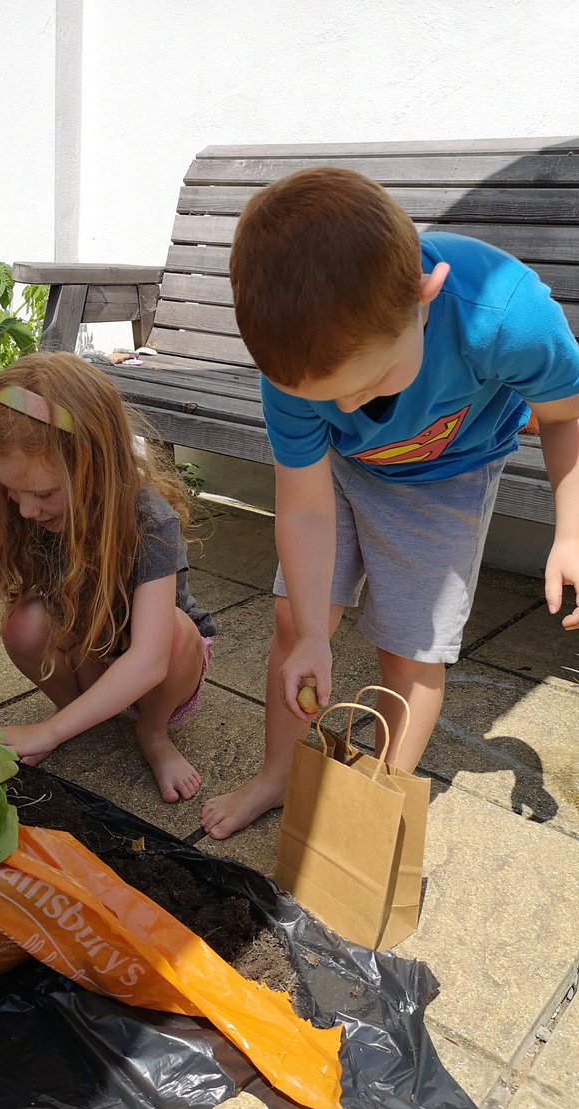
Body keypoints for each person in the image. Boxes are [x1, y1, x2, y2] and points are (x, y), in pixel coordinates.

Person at [201, 166, 579, 840]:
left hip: (450, 475)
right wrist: (317, 632)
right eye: (327, 397)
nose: (349, 408)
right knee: (295, 621)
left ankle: (373, 810)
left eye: (371, 382)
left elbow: (565, 418)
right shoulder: (293, 367)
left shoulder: (505, 316)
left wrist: (571, 530)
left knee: (408, 653)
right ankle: (278, 775)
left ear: (425, 295)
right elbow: (305, 507)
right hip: (341, 477)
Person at [0, 350, 216, 803]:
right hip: (92, 658)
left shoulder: (149, 521)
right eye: (12, 492)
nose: (27, 509)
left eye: (43, 494)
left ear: (97, 466)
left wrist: (45, 733)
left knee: (174, 630)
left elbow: (151, 659)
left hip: (165, 675)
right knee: (25, 622)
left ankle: (151, 735)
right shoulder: (23, 517)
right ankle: (76, 713)